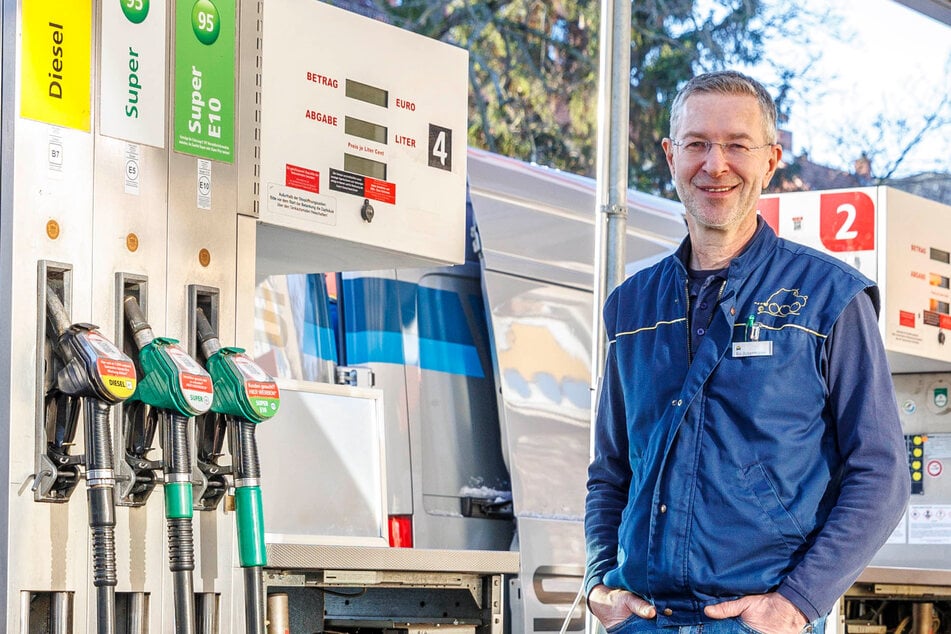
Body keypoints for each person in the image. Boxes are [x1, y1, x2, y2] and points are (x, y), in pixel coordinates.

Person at [584, 70, 910, 634]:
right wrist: (597, 582)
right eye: (697, 144)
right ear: (670, 155)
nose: (715, 164)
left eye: (737, 145)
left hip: (756, 621)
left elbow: (881, 474)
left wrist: (796, 604)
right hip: (641, 620)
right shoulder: (630, 307)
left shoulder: (829, 298)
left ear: (770, 159)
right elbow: (610, 471)